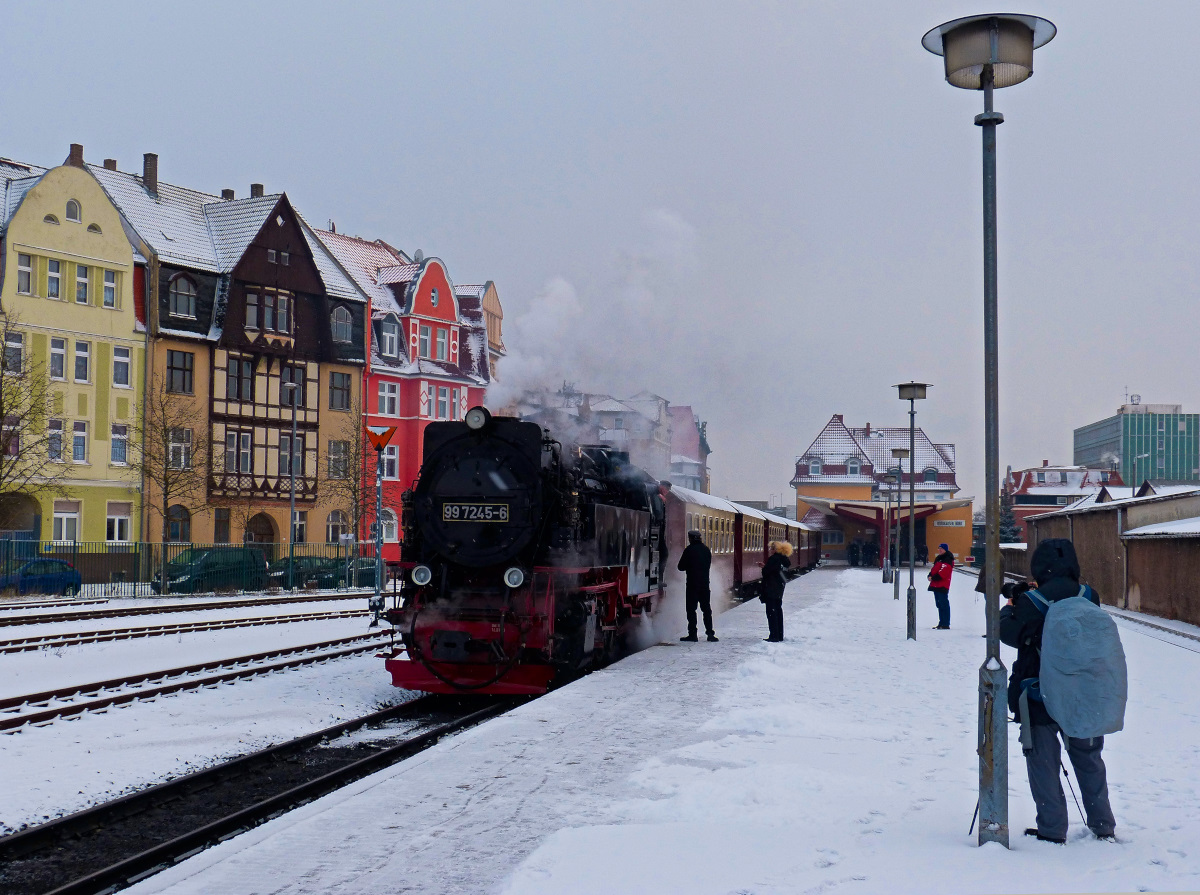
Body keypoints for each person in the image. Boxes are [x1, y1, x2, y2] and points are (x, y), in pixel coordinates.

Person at [1000, 538, 1117, 844]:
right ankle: (1103, 823)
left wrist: (1009, 608)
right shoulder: (1089, 595)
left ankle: (1053, 829)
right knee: (1089, 758)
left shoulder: (1032, 600)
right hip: (1084, 692)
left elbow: (1010, 635)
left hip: (1039, 694)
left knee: (1043, 762)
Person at [677, 530, 717, 642]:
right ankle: (710, 634)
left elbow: (680, 567)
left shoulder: (689, 550)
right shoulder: (706, 550)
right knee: (706, 609)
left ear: (690, 538)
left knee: (691, 610)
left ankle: (693, 634)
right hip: (704, 584)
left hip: (692, 585)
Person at [760, 540, 792, 642]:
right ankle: (779, 635)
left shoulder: (774, 559)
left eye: (771, 548)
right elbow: (778, 571)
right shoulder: (784, 560)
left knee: (771, 612)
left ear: (775, 550)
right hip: (779, 587)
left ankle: (773, 636)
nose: (770, 550)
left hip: (771, 588)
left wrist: (764, 567)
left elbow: (766, 572)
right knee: (778, 610)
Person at [927, 543, 954, 629]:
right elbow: (934, 569)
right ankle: (942, 622)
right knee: (939, 604)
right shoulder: (939, 559)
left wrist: (933, 577)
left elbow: (944, 572)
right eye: (939, 548)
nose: (940, 550)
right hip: (936, 584)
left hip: (942, 585)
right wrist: (930, 575)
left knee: (943, 603)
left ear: (945, 550)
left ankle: (945, 623)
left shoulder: (947, 559)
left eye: (941, 549)